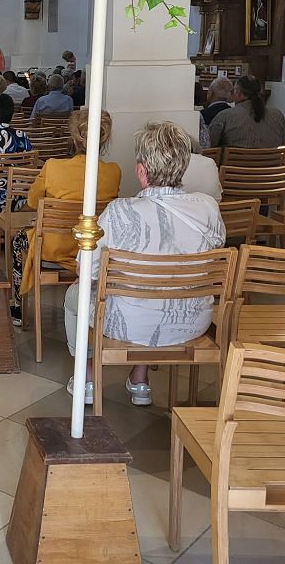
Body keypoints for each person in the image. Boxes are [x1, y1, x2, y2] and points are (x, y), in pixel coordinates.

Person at [64, 122, 226, 407]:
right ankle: (140, 379)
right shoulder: (207, 208)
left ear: (141, 171)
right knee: (159, 289)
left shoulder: (118, 212)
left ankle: (87, 376)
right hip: (191, 322)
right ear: (183, 166)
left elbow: (86, 269)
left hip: (127, 323)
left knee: (76, 293)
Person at [10, 110, 121, 324]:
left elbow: (32, 201)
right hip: (92, 249)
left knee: (18, 241)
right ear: (104, 139)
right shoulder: (114, 172)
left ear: (74, 137)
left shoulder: (53, 166)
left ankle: (18, 306)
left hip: (53, 247)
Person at [208, 75, 285, 149]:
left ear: (238, 92)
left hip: (235, 163)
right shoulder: (277, 115)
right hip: (272, 163)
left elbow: (210, 143)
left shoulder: (225, 116)